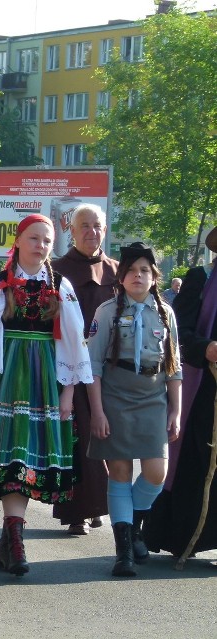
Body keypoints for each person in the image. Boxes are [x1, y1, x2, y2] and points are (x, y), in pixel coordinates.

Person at [0, 214, 91, 575]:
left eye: (47, 240)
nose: (41, 245)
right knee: (14, 460)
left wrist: (68, 393)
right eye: (34, 238)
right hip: (7, 376)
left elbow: (76, 346)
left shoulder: (61, 286)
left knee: (30, 461)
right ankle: (14, 540)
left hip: (45, 379)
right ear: (17, 241)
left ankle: (11, 539)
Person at [85, 242, 181, 576]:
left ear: (155, 277)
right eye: (131, 270)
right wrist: (97, 411)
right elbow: (93, 366)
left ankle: (134, 524)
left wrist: (175, 410)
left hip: (153, 398)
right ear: (121, 276)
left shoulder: (165, 313)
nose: (137, 276)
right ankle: (123, 549)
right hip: (115, 397)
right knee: (121, 472)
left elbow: (174, 367)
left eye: (145, 270)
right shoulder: (107, 312)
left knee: (157, 472)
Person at [144, 229, 217, 560]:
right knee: (200, 462)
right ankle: (187, 537)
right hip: (206, 388)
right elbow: (180, 335)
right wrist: (208, 348)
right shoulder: (201, 279)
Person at [50, 204, 115, 535]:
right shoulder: (56, 271)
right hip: (72, 369)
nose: (92, 232)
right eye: (84, 226)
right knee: (77, 441)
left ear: (105, 229)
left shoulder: (118, 270)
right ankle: (76, 511)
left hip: (112, 373)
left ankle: (102, 504)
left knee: (108, 439)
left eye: (98, 226)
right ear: (71, 231)